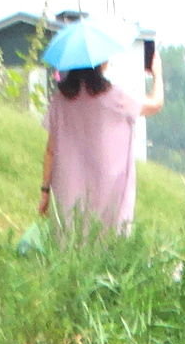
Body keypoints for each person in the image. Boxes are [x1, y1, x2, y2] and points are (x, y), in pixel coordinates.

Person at [40, 54, 163, 235]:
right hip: (109, 192)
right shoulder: (118, 97)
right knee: (107, 245)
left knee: (68, 244)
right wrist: (157, 73)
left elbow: (51, 150)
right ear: (101, 64)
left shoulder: (60, 101)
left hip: (67, 192)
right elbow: (156, 104)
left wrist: (44, 192)